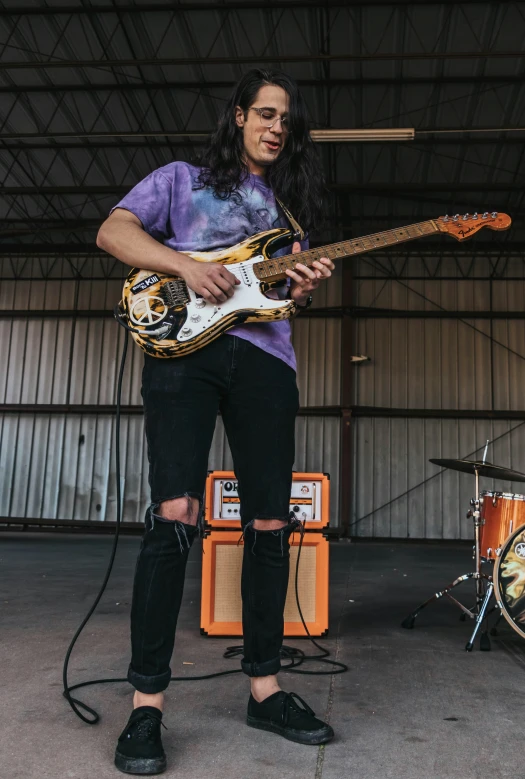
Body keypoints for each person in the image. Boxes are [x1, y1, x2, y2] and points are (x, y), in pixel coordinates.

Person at [96, 68, 335, 776]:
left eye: (284, 120)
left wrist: (302, 281)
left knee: (268, 520)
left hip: (266, 363)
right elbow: (113, 231)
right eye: (264, 113)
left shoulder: (287, 213)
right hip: (183, 359)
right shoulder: (179, 179)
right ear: (237, 117)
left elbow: (279, 297)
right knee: (175, 510)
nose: (274, 127)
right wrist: (181, 264)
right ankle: (146, 705)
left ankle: (265, 687)